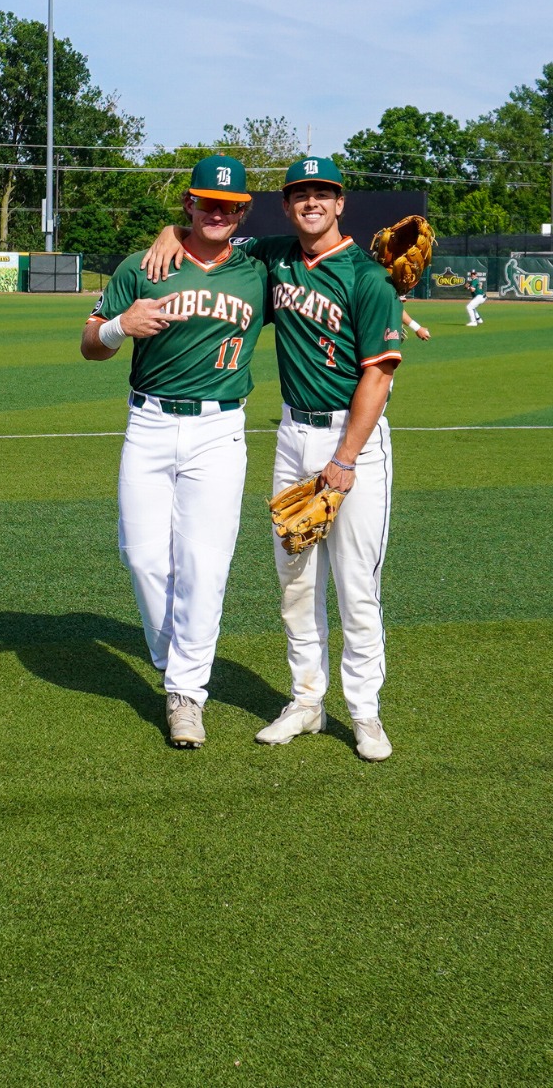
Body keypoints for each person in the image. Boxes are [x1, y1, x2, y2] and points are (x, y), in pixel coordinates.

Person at [144, 155, 404, 761]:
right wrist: (168, 232)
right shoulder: (274, 256)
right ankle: (306, 701)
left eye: (323, 193)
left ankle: (365, 713)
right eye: (300, 194)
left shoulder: (368, 278)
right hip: (292, 438)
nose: (312, 202)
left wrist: (345, 460)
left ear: (340, 204)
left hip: (352, 445)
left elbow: (378, 378)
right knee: (296, 583)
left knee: (357, 588)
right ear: (286, 206)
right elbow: (208, 239)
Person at [80, 155, 265, 750]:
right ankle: (173, 659)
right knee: (142, 557)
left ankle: (186, 693)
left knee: (204, 566)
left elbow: (320, 253)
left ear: (243, 212)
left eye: (229, 206)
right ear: (188, 202)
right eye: (207, 202)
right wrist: (120, 326)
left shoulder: (260, 267)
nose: (218, 212)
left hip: (219, 429)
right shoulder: (143, 265)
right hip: (150, 423)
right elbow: (90, 344)